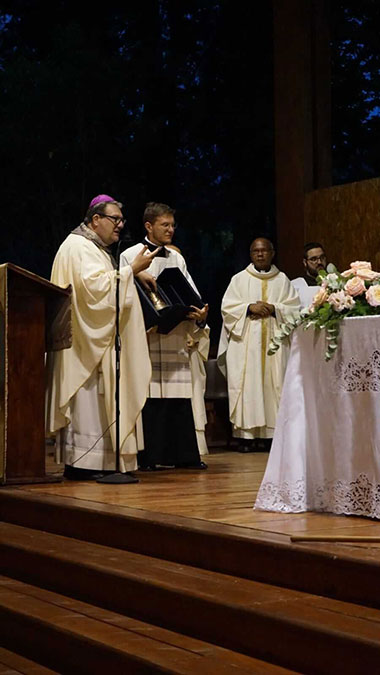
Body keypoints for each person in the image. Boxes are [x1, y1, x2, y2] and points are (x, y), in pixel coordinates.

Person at [46, 194, 159, 480]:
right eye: (115, 219)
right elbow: (92, 291)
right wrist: (130, 270)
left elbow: (99, 284)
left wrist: (131, 276)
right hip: (85, 347)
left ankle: (100, 462)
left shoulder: (92, 247)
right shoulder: (78, 247)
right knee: (90, 404)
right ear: (95, 220)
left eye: (122, 220)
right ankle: (86, 463)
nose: (120, 225)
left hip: (93, 343)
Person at [120, 202, 209, 470]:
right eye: (165, 225)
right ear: (149, 226)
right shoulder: (130, 255)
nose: (171, 230)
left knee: (177, 395)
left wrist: (198, 313)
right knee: (148, 394)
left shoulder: (176, 258)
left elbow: (189, 291)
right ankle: (149, 457)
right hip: (146, 336)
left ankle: (183, 455)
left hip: (174, 335)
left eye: (173, 225)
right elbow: (124, 290)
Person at [217, 237, 300, 452]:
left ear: (272, 253)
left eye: (264, 250)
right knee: (249, 385)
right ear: (251, 254)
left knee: (275, 386)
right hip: (246, 346)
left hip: (276, 345)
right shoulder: (239, 279)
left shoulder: (282, 280)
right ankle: (246, 436)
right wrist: (248, 308)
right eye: (256, 251)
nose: (260, 254)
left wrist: (275, 309)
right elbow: (227, 308)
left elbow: (295, 309)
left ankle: (272, 436)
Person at [292, 243, 328, 308]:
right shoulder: (296, 286)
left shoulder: (334, 282)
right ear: (305, 262)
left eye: (322, 257)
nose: (319, 262)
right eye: (314, 259)